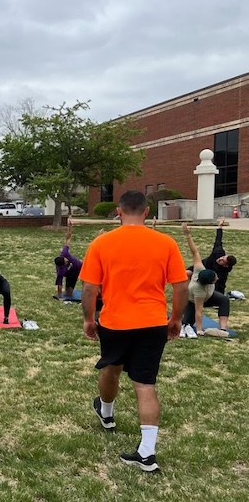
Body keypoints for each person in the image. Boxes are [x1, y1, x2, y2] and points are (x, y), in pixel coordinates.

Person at [80, 190, 188, 473]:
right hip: (153, 322)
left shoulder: (102, 243)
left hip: (115, 323)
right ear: (146, 212)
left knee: (111, 368)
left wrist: (89, 319)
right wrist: (176, 319)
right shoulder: (165, 242)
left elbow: (90, 288)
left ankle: (106, 413)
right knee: (145, 384)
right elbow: (181, 286)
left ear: (118, 211)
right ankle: (147, 452)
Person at [181, 223, 230, 337]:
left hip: (209, 295)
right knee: (187, 322)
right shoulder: (199, 291)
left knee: (224, 300)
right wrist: (199, 330)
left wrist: (188, 235)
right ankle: (183, 323)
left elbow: (195, 252)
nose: (217, 278)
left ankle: (223, 328)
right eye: (215, 278)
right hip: (194, 301)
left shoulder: (199, 268)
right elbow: (199, 311)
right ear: (210, 283)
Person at [200, 217, 237, 295]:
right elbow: (218, 240)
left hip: (207, 278)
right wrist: (220, 227)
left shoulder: (222, 274)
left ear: (226, 266)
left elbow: (221, 287)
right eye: (223, 257)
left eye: (223, 261)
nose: (220, 259)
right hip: (200, 266)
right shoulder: (218, 252)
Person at [54, 216, 83, 300]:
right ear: (62, 265)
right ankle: (70, 289)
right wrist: (59, 297)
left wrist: (69, 228)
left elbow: (68, 239)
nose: (67, 261)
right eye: (66, 262)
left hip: (80, 266)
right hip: (71, 274)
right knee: (68, 294)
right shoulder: (60, 272)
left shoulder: (64, 253)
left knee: (86, 280)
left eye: (66, 260)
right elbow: (59, 284)